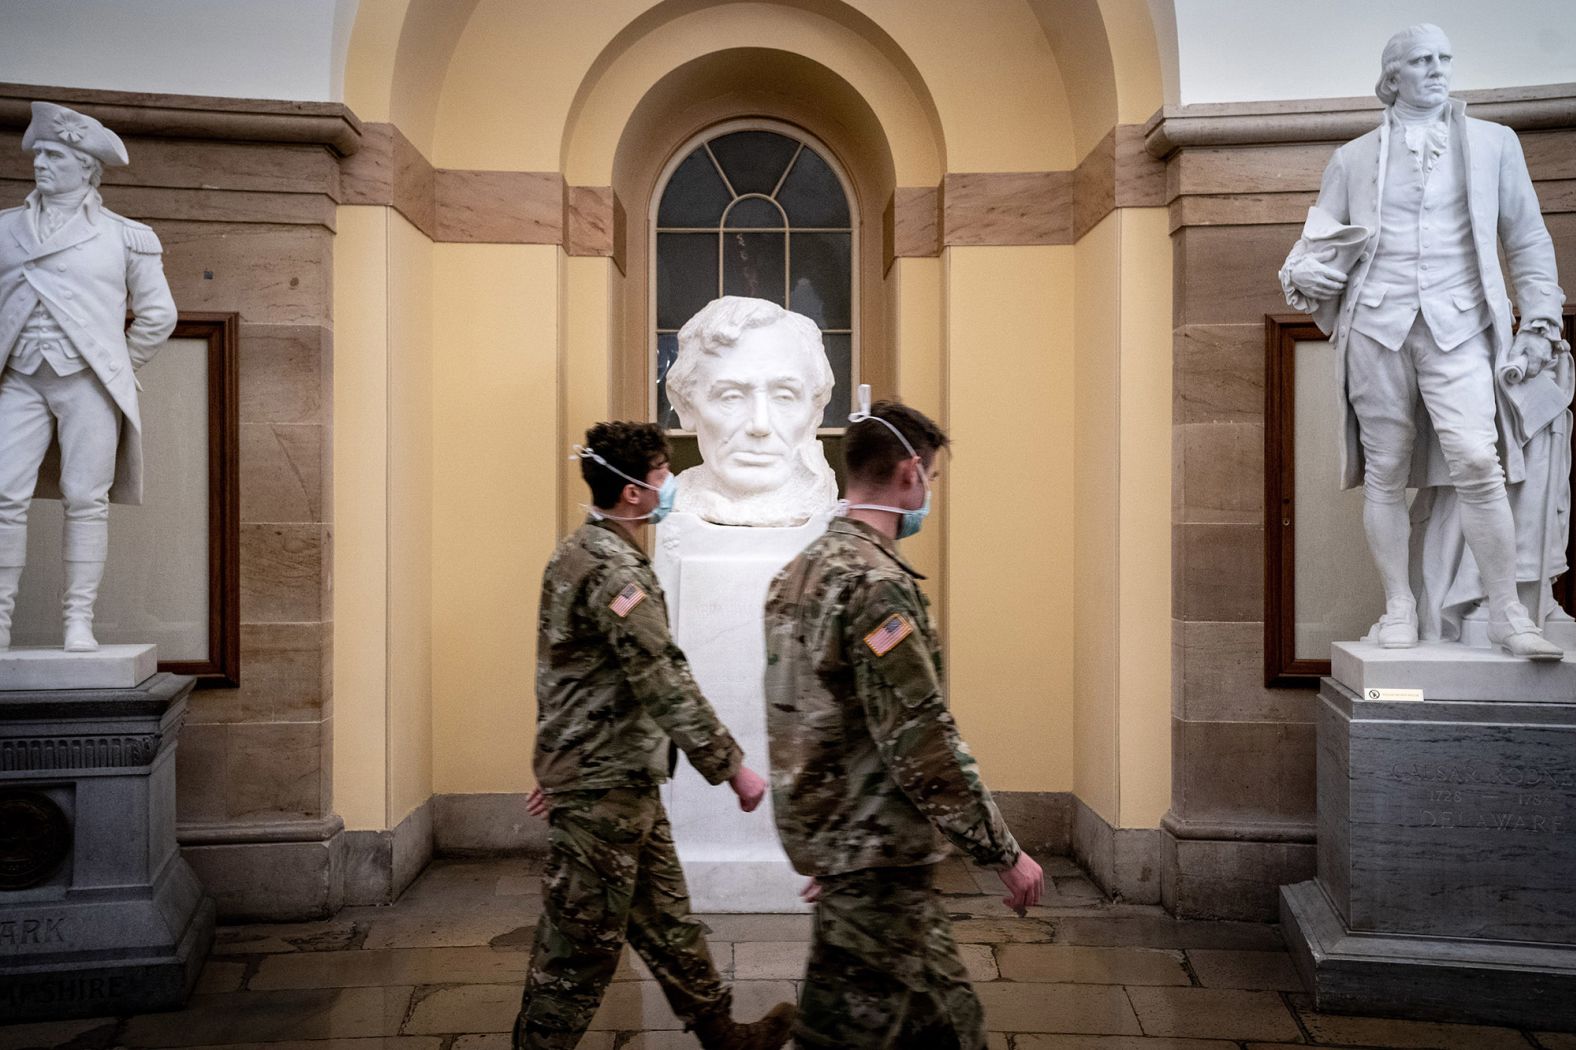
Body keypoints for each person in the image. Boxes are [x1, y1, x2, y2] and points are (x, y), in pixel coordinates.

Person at [1279, 23, 1570, 659]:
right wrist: (1300, 271)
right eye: (1421, 61)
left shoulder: (1496, 143)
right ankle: (1399, 607)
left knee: (1476, 458)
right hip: (1377, 329)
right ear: (1392, 78)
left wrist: (1542, 323)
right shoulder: (1352, 158)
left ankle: (1505, 614)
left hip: (1460, 323)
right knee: (1385, 471)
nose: (1438, 70)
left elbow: (1526, 240)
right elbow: (1313, 249)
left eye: (1444, 58)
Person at [763, 397, 1044, 1049]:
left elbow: (793, 717)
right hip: (875, 855)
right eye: (933, 479)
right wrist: (1003, 854)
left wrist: (816, 838)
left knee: (950, 1024)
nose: (928, 495)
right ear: (910, 473)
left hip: (859, 847)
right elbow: (921, 739)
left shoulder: (798, 573)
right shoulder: (875, 586)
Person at [512, 421, 794, 1050]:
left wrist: (556, 763)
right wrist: (732, 767)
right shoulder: (615, 573)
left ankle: (723, 1033)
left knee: (666, 920)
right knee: (578, 948)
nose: (670, 484)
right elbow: (661, 677)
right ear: (635, 492)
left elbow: (565, 673)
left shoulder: (577, 550)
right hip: (604, 788)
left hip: (614, 778)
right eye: (663, 472)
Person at [0, 101, 177, 651]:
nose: (42, 164)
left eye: (56, 154)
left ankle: (79, 620)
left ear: (86, 167)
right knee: (2, 495)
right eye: (40, 154)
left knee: (85, 497)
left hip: (87, 382)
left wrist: (120, 366)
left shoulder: (125, 236)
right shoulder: (4, 229)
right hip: (19, 377)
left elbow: (159, 313)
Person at [666, 296, 837, 526]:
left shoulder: (816, 504)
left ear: (816, 410)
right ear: (684, 405)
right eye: (731, 397)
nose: (760, 425)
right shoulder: (683, 504)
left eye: (784, 397)